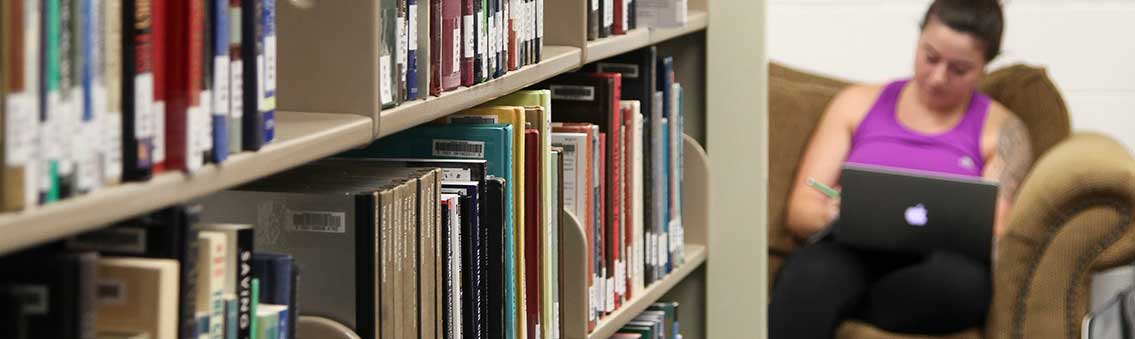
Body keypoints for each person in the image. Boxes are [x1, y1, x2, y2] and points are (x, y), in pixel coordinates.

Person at [768, 0, 1033, 338]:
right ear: (918, 40)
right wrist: (834, 213)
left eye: (959, 69)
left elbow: (993, 231)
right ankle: (832, 297)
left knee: (961, 288)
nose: (938, 78)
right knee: (810, 276)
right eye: (930, 57)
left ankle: (844, 304)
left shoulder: (1003, 132)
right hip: (849, 251)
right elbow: (800, 208)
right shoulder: (856, 103)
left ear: (985, 67)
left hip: (941, 265)